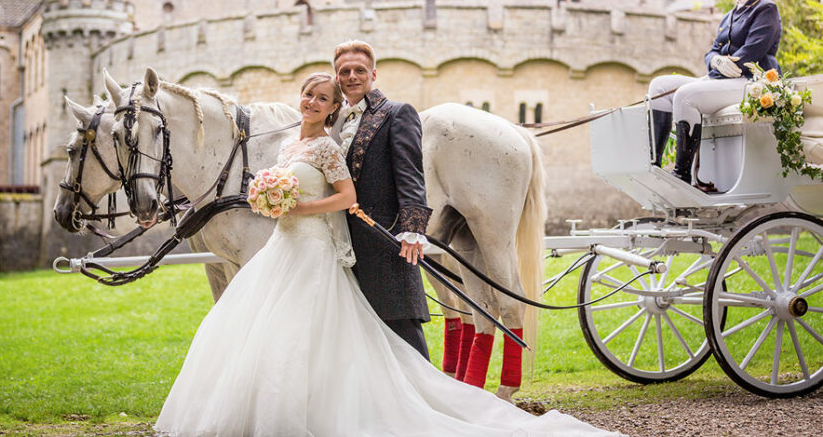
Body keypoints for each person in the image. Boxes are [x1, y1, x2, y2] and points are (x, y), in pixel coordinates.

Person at [155, 72, 621, 436]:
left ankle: (496, 387)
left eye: (324, 97)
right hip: (290, 246)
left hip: (329, 241)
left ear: (347, 95)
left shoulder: (345, 138)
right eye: (309, 95)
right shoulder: (287, 143)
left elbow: (354, 193)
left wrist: (406, 226)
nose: (313, 103)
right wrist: (267, 200)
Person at [331, 40, 431, 359]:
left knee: (402, 330)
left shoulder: (397, 113)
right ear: (336, 77)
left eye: (359, 70)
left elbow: (411, 173)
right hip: (342, 243)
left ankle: (427, 402)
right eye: (344, 71)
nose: (352, 76)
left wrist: (412, 230)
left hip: (385, 239)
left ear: (373, 74)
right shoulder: (331, 121)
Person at [648, 0, 781, 185]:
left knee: (686, 96)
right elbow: (712, 51)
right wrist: (716, 62)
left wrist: (721, 66)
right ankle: (654, 165)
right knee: (659, 86)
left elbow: (752, 53)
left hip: (752, 82)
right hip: (722, 79)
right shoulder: (730, 15)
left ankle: (682, 174)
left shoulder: (765, 9)